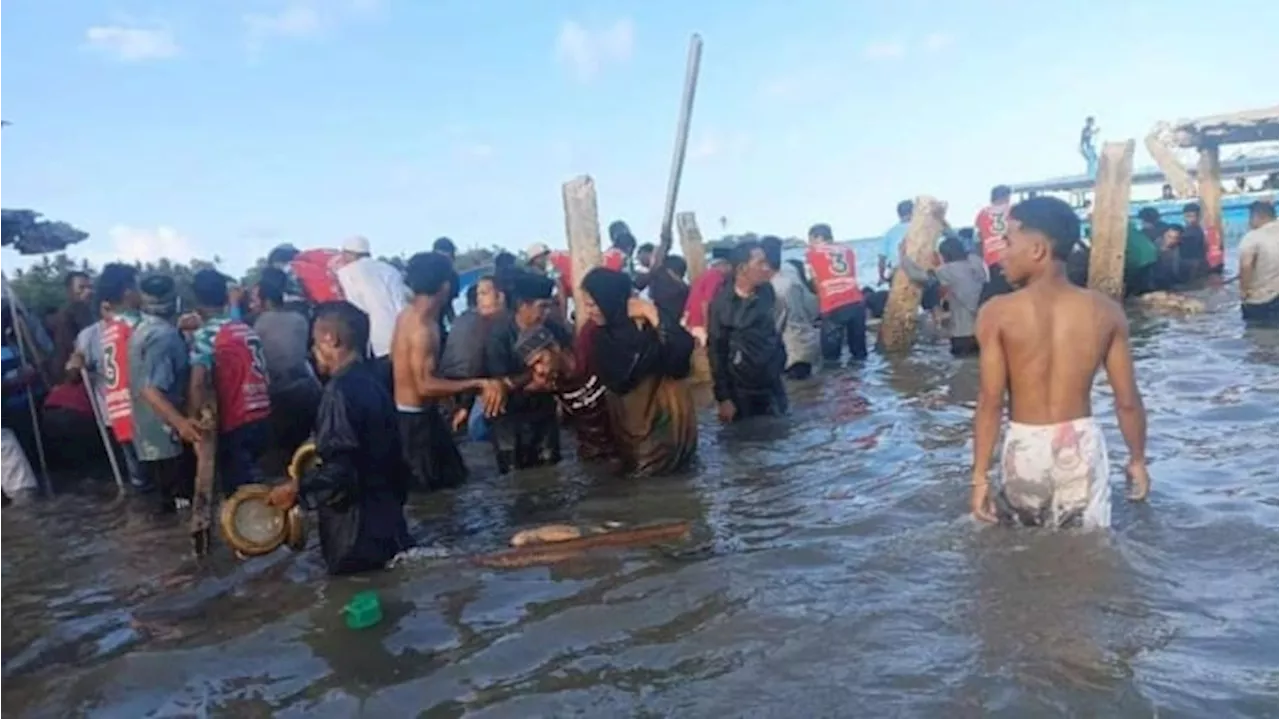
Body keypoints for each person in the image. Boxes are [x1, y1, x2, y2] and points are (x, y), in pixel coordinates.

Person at [970, 196, 1149, 529]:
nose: (999, 255)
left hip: (1025, 447)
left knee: (1026, 552)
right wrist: (1137, 459)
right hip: (1081, 445)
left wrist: (979, 477)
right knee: (1089, 553)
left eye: (1007, 242)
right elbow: (1127, 401)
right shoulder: (1106, 311)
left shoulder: (996, 312)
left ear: (1038, 250)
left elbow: (990, 403)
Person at [267, 301, 414, 576]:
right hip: (388, 522)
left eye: (314, 341)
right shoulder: (376, 383)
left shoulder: (338, 392)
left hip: (354, 535)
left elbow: (341, 472)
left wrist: (297, 488)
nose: (313, 351)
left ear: (330, 339)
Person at [392, 252, 504, 491]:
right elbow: (424, 385)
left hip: (413, 416)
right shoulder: (424, 328)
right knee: (434, 492)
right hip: (417, 424)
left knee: (454, 481)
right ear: (444, 286)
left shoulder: (406, 316)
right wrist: (478, 384)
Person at [581, 269, 697, 474]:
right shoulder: (598, 337)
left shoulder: (649, 324)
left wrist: (653, 314)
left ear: (610, 300)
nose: (588, 311)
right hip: (635, 435)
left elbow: (682, 353)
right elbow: (620, 379)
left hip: (670, 431)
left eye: (592, 304)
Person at [188, 269, 272, 494]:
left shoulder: (206, 335)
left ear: (196, 303)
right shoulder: (246, 329)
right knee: (255, 479)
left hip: (236, 420)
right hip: (262, 414)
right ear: (226, 298)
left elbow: (198, 382)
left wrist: (194, 421)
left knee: (239, 494)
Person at [129, 274, 198, 514]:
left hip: (147, 434)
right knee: (182, 507)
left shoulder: (142, 329)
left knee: (163, 506)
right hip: (168, 437)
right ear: (176, 301)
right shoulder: (165, 337)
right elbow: (150, 389)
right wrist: (181, 424)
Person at [74, 264, 147, 490]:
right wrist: (77, 363)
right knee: (151, 475)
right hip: (136, 413)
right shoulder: (140, 326)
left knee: (143, 478)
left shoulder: (137, 326)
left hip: (124, 412)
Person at [484, 272, 565, 473]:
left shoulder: (552, 329)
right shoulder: (499, 335)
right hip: (509, 421)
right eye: (541, 307)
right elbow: (499, 384)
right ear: (523, 305)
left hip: (543, 416)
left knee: (551, 473)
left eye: (549, 306)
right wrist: (533, 376)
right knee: (514, 478)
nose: (546, 313)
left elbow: (568, 362)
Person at [708, 240, 787, 421]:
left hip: (772, 382)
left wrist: (780, 359)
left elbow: (774, 330)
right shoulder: (722, 305)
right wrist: (724, 398)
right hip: (742, 389)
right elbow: (716, 352)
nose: (767, 268)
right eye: (760, 263)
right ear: (743, 268)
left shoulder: (767, 291)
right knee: (747, 442)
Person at [516, 323, 616, 462]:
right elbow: (509, 385)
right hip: (593, 454)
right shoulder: (550, 381)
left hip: (622, 443)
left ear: (555, 347)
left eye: (540, 360)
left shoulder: (588, 348)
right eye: (533, 366)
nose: (539, 370)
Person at [254, 267, 322, 455]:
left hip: (276, 394)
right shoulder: (299, 319)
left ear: (265, 300)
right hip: (305, 390)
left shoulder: (259, 324)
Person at [439, 274, 506, 441]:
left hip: (451, 395)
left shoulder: (463, 319)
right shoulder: (484, 323)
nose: (480, 299)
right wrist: (465, 406)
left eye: (484, 293)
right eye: (479, 294)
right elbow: (471, 365)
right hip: (465, 397)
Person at [902, 236, 987, 356]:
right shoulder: (976, 262)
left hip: (962, 335)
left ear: (944, 255)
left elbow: (918, 276)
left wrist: (903, 257)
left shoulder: (946, 271)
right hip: (984, 331)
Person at [334, 235, 409, 360]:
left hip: (372, 343)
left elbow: (354, 308)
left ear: (349, 254)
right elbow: (401, 306)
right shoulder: (390, 270)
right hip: (400, 338)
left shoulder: (345, 273)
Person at [804, 223, 868, 363]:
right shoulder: (847, 249)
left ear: (818, 237)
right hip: (856, 301)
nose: (810, 244)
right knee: (859, 354)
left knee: (831, 359)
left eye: (811, 240)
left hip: (833, 305)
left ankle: (836, 383)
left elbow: (813, 280)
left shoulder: (812, 253)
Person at [762, 236, 821, 378]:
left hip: (792, 352)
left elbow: (773, 329)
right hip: (810, 344)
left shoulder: (773, 290)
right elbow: (814, 308)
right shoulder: (791, 277)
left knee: (796, 393)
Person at [1238, 200, 1280, 325]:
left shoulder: (1252, 237)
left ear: (1256, 217)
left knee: (1259, 338)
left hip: (1263, 301)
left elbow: (1246, 266)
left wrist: (1244, 291)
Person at [49, 271, 94, 377]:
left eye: (90, 287)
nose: (88, 291)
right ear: (70, 291)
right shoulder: (65, 318)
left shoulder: (93, 312)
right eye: (81, 288)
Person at [684, 248, 731, 346]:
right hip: (700, 321)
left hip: (693, 320)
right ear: (723, 264)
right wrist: (707, 327)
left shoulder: (707, 274)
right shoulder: (715, 276)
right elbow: (706, 302)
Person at [976, 185, 1015, 303]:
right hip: (1013, 256)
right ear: (1007, 196)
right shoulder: (1014, 210)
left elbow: (979, 237)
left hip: (992, 260)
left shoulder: (982, 213)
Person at [879, 200, 913, 285]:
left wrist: (881, 277)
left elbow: (881, 259)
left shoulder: (889, 233)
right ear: (913, 212)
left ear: (899, 214)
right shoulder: (920, 230)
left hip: (897, 273)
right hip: (919, 272)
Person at [1178, 203, 1208, 282]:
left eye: (1193, 216)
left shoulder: (1192, 232)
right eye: (1188, 216)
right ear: (1184, 216)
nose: (1191, 219)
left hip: (1195, 267)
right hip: (1194, 266)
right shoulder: (1188, 230)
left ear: (1198, 217)